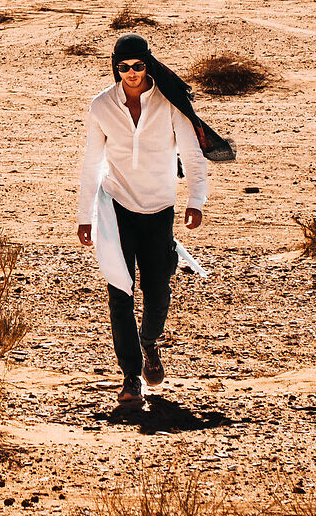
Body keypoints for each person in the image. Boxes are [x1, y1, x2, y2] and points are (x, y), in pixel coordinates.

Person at [76, 32, 225, 408]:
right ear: (116, 68)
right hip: (116, 208)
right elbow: (91, 162)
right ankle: (130, 377)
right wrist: (85, 216)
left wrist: (196, 199)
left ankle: (149, 342)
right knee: (119, 292)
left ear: (148, 65)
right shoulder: (101, 107)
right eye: (123, 67)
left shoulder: (170, 104)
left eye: (138, 66)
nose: (131, 73)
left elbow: (192, 155)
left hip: (160, 209)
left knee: (158, 292)